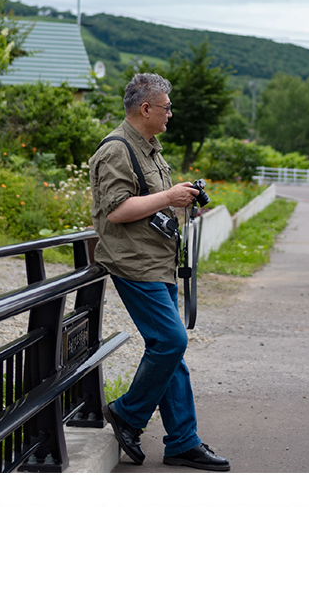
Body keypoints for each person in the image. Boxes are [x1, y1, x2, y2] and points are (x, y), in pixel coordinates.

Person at [89, 72, 230, 471]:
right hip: (134, 263)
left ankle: (182, 441)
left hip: (158, 261)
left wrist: (180, 197)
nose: (171, 113)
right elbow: (117, 211)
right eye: (166, 107)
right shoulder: (116, 150)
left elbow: (149, 200)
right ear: (146, 108)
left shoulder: (149, 148)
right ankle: (127, 414)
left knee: (171, 351)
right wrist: (169, 195)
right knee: (170, 341)